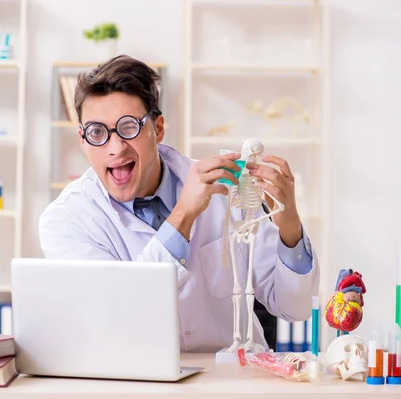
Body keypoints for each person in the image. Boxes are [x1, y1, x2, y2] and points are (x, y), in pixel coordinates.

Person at [39, 55, 319, 353]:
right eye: (97, 132)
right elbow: (118, 314)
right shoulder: (66, 220)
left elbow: (295, 308)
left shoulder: (224, 187)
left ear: (157, 129)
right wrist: (184, 214)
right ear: (82, 139)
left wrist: (288, 223)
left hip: (232, 379)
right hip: (138, 380)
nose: (115, 148)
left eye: (129, 127)